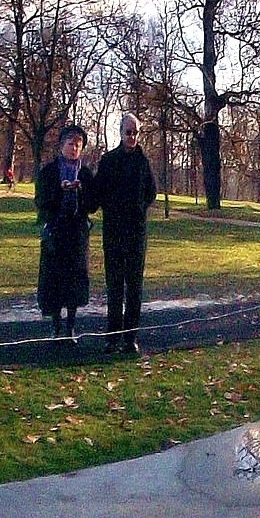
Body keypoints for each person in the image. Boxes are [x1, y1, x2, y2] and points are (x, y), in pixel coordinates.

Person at [94, 113, 158, 355]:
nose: (132, 137)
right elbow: (98, 191)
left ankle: (130, 337)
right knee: (114, 287)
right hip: (113, 232)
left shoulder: (143, 162)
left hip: (136, 234)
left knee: (134, 287)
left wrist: (138, 209)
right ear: (120, 133)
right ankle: (112, 336)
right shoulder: (109, 160)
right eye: (128, 132)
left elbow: (151, 192)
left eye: (135, 132)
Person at [35, 124, 98, 341]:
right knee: (54, 280)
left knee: (74, 281)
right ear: (62, 145)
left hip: (77, 234)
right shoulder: (49, 171)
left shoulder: (86, 173)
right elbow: (41, 201)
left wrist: (81, 191)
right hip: (55, 232)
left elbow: (92, 205)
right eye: (70, 143)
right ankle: (55, 325)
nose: (74, 148)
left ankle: (71, 325)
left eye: (78, 145)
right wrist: (58, 190)